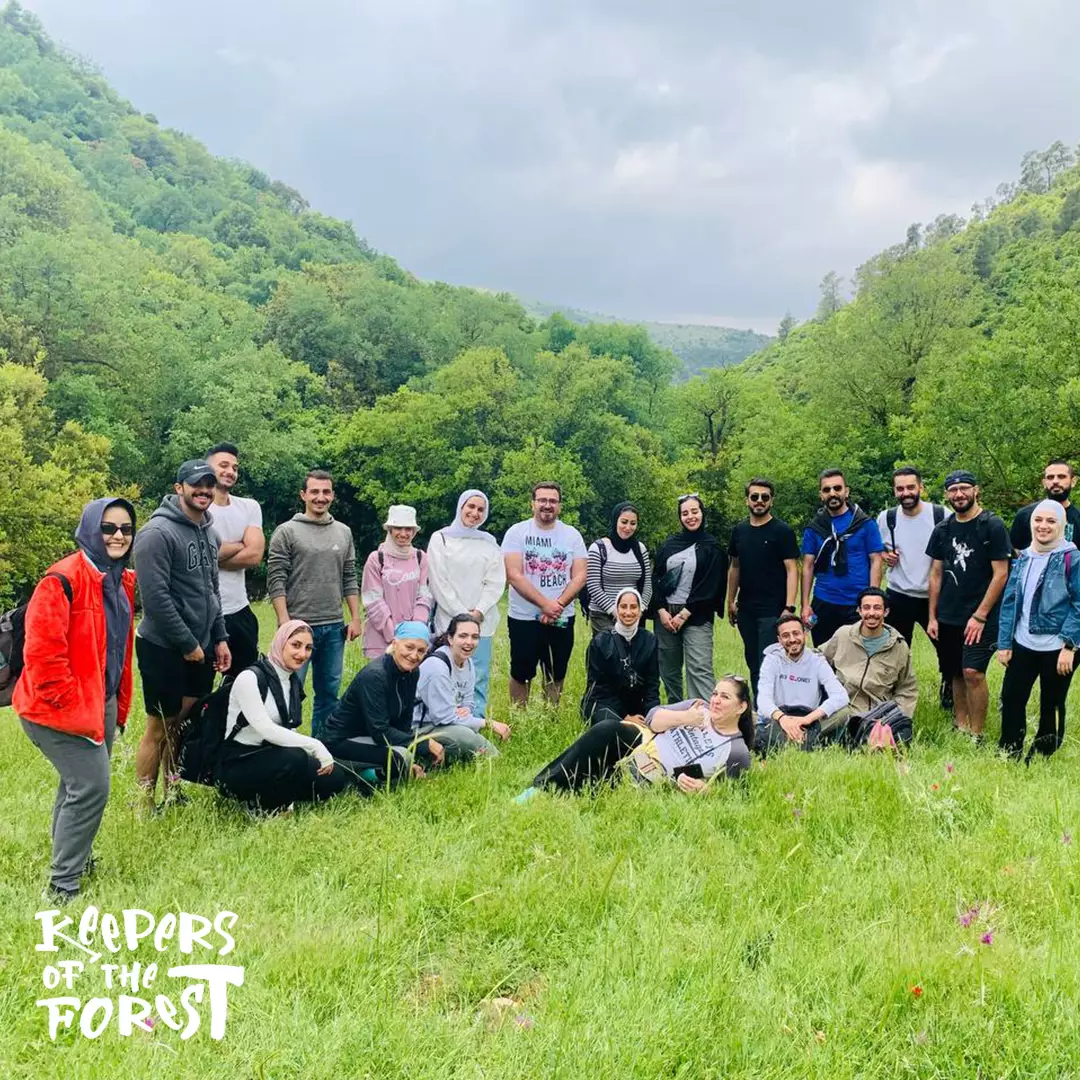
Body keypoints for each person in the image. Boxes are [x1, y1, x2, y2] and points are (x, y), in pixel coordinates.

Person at [15, 498, 137, 902]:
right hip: (55, 708)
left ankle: (76, 858)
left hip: (98, 700)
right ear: (90, 530)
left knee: (74, 787)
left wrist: (115, 706)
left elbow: (118, 651)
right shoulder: (62, 579)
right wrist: (73, 708)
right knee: (90, 786)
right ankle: (62, 886)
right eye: (108, 528)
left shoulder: (121, 580)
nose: (118, 535)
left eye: (125, 528)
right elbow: (42, 657)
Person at [134, 460, 231, 809]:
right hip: (163, 646)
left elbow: (212, 591)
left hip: (201, 647)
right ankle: (143, 803)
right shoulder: (155, 535)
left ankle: (173, 792)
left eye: (209, 485)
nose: (204, 491)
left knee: (183, 725)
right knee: (159, 727)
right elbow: (155, 599)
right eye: (196, 485)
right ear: (179, 488)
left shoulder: (210, 532)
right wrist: (188, 643)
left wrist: (218, 637)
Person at [515, 676, 754, 800]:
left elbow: (734, 793)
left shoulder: (737, 751)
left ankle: (560, 792)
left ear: (741, 707)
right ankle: (540, 788)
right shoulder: (697, 707)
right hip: (643, 742)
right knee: (605, 730)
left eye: (724, 697)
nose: (715, 700)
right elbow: (652, 718)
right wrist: (685, 718)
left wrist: (704, 790)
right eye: (715, 694)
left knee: (598, 780)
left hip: (656, 773)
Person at [217, 621, 352, 812]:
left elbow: (288, 727)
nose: (302, 654)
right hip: (239, 761)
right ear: (280, 643)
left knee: (334, 778)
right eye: (295, 645)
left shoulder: (291, 680)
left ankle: (277, 792)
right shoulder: (250, 678)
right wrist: (316, 745)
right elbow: (265, 728)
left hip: (274, 756)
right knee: (295, 758)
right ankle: (264, 807)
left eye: (308, 648)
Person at [267, 469, 361, 739]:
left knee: (329, 692)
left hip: (333, 627)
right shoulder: (287, 532)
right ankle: (285, 746)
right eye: (315, 492)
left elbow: (349, 576)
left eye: (326, 492)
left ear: (332, 495)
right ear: (303, 495)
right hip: (298, 626)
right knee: (289, 691)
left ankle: (322, 749)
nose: (321, 497)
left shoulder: (343, 532)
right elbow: (276, 579)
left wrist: (355, 617)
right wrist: (285, 623)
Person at [927, 470, 1011, 739]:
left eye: (964, 488)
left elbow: (1001, 573)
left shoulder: (992, 525)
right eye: (953, 490)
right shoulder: (943, 529)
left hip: (981, 614)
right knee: (955, 671)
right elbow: (936, 573)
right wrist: (932, 616)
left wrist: (981, 615)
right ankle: (960, 724)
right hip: (948, 613)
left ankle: (978, 732)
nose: (959, 494)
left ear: (976, 490)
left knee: (973, 672)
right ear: (947, 495)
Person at [997, 500, 1080, 761]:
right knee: (1011, 698)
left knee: (1051, 703)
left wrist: (1070, 645)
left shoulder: (1072, 558)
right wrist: (1004, 643)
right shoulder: (1022, 557)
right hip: (1022, 642)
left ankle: (1043, 754)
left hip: (1057, 646)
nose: (1043, 526)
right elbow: (1010, 601)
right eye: (1038, 520)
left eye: (1050, 521)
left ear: (1062, 525)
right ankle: (1009, 751)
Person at [501, 482, 588, 707]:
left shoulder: (572, 535)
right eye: (542, 500)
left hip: (561, 616)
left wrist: (556, 605)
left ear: (559, 506)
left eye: (552, 501)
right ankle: (519, 718)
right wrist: (544, 604)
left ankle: (550, 717)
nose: (547, 505)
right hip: (523, 617)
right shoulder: (517, 533)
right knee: (522, 671)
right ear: (533, 504)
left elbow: (579, 576)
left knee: (556, 671)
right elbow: (514, 574)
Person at [322, 622, 442, 782]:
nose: (414, 656)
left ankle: (378, 768)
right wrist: (421, 744)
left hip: (370, 738)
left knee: (405, 756)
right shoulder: (375, 676)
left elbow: (404, 721)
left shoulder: (412, 672)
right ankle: (358, 776)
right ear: (394, 644)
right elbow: (380, 732)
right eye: (409, 647)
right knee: (401, 759)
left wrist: (412, 749)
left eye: (421, 651)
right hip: (340, 742)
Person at [427, 489, 506, 718]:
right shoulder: (441, 538)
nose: (475, 513)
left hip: (482, 622)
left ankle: (476, 721)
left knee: (477, 674)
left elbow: (495, 581)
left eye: (481, 509)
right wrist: (463, 616)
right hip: (449, 620)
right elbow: (439, 582)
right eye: (470, 507)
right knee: (447, 672)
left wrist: (478, 612)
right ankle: (445, 722)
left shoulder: (489, 542)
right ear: (460, 507)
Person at [877, 466, 950, 707]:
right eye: (900, 488)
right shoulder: (886, 518)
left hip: (936, 596)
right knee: (894, 652)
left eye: (910, 487)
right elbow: (879, 551)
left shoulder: (941, 515)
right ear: (894, 491)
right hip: (899, 595)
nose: (906, 492)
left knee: (947, 651)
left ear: (921, 487)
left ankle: (949, 694)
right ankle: (895, 700)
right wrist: (886, 555)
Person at [726, 477, 799, 699]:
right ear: (747, 500)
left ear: (771, 501)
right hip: (746, 609)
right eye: (754, 496)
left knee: (769, 660)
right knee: (753, 661)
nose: (759, 501)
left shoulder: (782, 531)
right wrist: (730, 601)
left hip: (773, 610)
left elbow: (792, 570)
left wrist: (789, 607)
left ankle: (774, 708)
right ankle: (760, 709)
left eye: (764, 497)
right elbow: (734, 567)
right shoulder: (739, 531)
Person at [653, 494, 726, 702]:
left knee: (699, 667)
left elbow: (712, 585)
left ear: (702, 513)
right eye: (685, 513)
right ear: (680, 517)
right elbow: (656, 578)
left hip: (697, 615)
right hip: (666, 615)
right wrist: (661, 610)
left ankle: (705, 716)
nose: (690, 517)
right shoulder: (669, 544)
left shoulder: (712, 547)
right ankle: (676, 712)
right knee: (668, 669)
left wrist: (684, 614)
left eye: (695, 511)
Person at [412, 613, 511, 762]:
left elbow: (468, 702)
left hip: (442, 722)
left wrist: (465, 712)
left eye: (475, 637)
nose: (469, 642)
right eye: (463, 636)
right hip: (420, 727)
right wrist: (489, 723)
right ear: (450, 638)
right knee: (466, 737)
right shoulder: (437, 666)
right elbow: (444, 717)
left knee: (466, 731)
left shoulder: (468, 662)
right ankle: (494, 760)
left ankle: (447, 756)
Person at [801, 469, 884, 646]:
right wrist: (805, 605)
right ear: (821, 495)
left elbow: (876, 560)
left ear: (846, 491)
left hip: (856, 604)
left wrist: (871, 600)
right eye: (827, 490)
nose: (832, 493)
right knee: (824, 657)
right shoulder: (814, 528)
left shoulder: (865, 524)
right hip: (824, 601)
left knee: (857, 658)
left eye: (837, 488)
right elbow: (807, 566)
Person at [206, 442, 265, 676]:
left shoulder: (248, 507)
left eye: (235, 467)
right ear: (206, 467)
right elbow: (202, 556)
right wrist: (241, 543)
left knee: (245, 683)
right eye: (223, 465)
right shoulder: (198, 507)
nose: (230, 471)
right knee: (196, 689)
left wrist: (213, 555)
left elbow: (255, 556)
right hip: (204, 614)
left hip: (239, 610)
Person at [819, 587, 919, 717]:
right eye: (866, 608)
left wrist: (897, 717)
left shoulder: (899, 646)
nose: (871, 613)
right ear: (859, 611)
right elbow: (817, 659)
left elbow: (907, 689)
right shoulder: (843, 635)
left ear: (886, 612)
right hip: (841, 707)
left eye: (877, 608)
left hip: (877, 714)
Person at [756, 612, 849, 753]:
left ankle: (793, 741)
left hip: (810, 720)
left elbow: (841, 696)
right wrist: (783, 719)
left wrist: (806, 720)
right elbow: (763, 700)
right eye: (786, 635)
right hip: (779, 718)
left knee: (844, 712)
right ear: (779, 640)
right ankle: (803, 743)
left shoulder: (817, 660)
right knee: (745, 716)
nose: (792, 639)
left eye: (796, 633)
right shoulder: (771, 660)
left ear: (804, 634)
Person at [581, 588, 661, 726]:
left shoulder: (649, 640)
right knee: (613, 727)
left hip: (635, 706)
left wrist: (653, 715)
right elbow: (598, 688)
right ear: (616, 610)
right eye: (623, 607)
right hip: (603, 704)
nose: (628, 612)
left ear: (640, 610)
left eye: (633, 607)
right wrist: (624, 716)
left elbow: (652, 686)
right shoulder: (600, 642)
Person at [362, 504, 433, 659]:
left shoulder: (421, 557)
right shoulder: (376, 559)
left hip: (413, 641)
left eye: (408, 529)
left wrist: (413, 631)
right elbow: (373, 600)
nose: (403, 534)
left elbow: (425, 595)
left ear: (414, 532)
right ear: (390, 530)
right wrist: (395, 635)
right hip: (382, 640)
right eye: (398, 528)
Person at [585, 502, 653, 635]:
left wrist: (640, 609)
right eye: (624, 522)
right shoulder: (598, 548)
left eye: (633, 523)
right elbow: (593, 585)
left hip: (632, 616)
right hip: (603, 614)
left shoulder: (640, 549)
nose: (628, 527)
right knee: (612, 651)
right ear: (616, 521)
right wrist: (616, 611)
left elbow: (647, 585)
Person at [1010, 460, 1080, 551]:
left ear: (1073, 481)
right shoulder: (1025, 515)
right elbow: (1015, 551)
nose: (1055, 481)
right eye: (1050, 477)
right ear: (1044, 483)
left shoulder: (1077, 517)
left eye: (1061, 477)